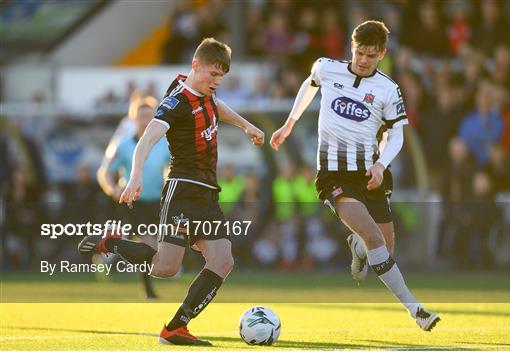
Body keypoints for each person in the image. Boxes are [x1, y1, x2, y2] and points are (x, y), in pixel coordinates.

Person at [78, 38, 265, 346]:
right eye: (212, 75)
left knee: (223, 261)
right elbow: (147, 138)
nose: (216, 82)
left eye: (221, 77)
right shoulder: (175, 102)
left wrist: (246, 125)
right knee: (166, 268)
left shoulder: (206, 95)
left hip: (208, 194)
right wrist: (136, 174)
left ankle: (176, 327)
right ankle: (110, 243)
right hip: (183, 191)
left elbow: (217, 107)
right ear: (195, 65)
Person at [270, 20, 440, 331]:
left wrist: (381, 165)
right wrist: (290, 123)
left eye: (371, 55)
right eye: (360, 52)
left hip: (370, 174)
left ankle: (357, 246)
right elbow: (309, 84)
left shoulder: (388, 89)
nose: (363, 60)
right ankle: (415, 310)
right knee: (374, 237)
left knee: (384, 249)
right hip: (334, 175)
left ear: (382, 54)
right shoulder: (326, 68)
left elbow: (397, 135)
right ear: (352, 46)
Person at [97, 99, 170, 299]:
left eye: (150, 116)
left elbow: (172, 167)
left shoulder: (164, 143)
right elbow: (104, 172)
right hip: (133, 202)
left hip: (158, 201)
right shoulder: (123, 144)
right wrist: (113, 189)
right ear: (133, 119)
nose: (146, 121)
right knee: (147, 243)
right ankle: (148, 291)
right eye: (142, 117)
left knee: (153, 246)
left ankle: (111, 251)